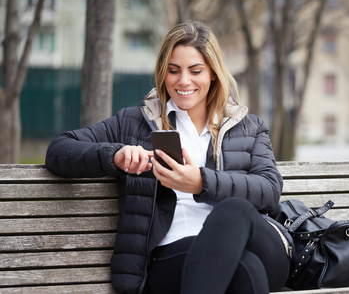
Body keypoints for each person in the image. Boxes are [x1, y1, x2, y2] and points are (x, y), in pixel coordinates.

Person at [45, 21, 291, 294]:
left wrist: (200, 183)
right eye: (173, 71)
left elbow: (269, 190)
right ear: (163, 74)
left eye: (195, 70)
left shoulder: (249, 127)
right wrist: (115, 155)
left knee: (234, 211)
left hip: (258, 246)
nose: (183, 81)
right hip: (174, 255)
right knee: (246, 270)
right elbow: (59, 149)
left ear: (213, 73)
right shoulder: (133, 123)